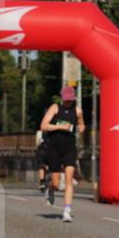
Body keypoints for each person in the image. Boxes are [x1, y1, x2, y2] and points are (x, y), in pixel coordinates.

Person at [39, 85, 85, 222]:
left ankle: (67, 210)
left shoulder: (78, 111)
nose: (68, 103)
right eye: (66, 100)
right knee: (56, 182)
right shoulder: (55, 108)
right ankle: (50, 189)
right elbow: (43, 125)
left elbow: (82, 124)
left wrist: (81, 128)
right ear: (62, 99)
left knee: (69, 179)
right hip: (54, 148)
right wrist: (60, 126)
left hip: (69, 147)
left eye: (70, 100)